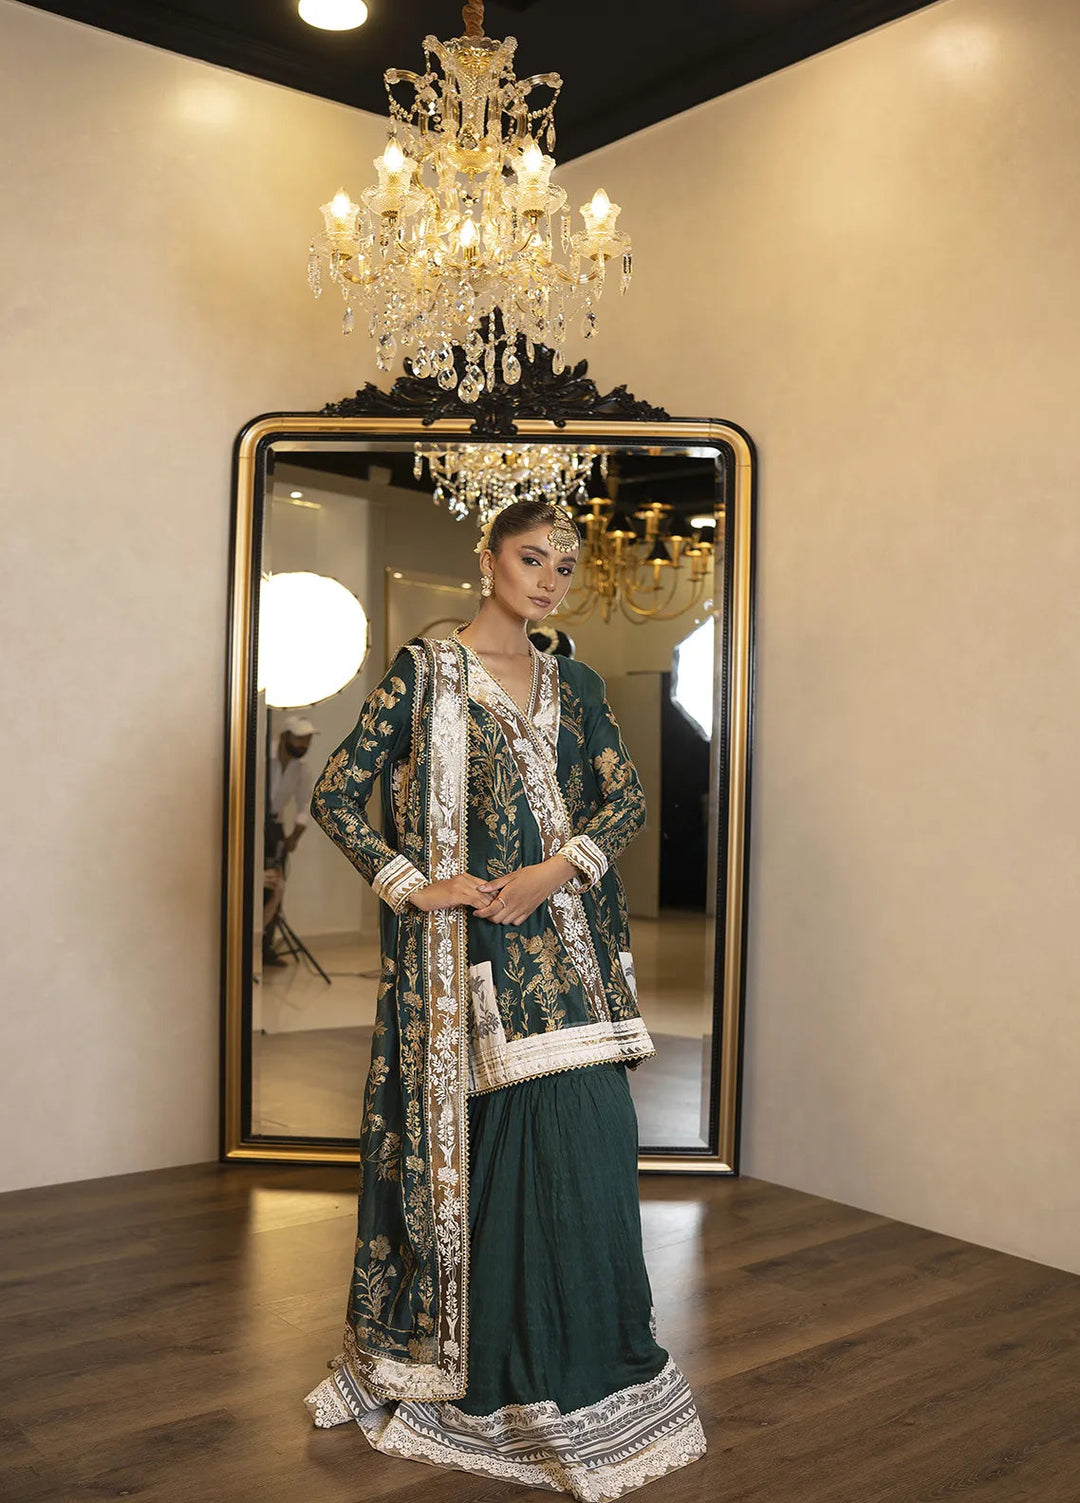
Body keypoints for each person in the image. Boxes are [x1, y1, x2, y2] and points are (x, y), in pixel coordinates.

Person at [302, 498, 707, 1497]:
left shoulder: (577, 682)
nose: (551, 580)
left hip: (573, 958)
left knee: (592, 1145)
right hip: (466, 963)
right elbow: (337, 793)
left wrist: (555, 870)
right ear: (488, 558)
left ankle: (591, 1361)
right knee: (506, 1156)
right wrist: (414, 884)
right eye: (533, 558)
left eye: (565, 567)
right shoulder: (425, 675)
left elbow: (626, 799)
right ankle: (498, 1365)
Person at [262, 715, 316, 966]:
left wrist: (295, 835)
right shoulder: (263, 756)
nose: (303, 745)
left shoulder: (301, 769)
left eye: (307, 741)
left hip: (274, 825)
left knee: (276, 883)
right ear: (285, 737)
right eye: (299, 739)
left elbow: (304, 805)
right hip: (252, 821)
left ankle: (265, 944)